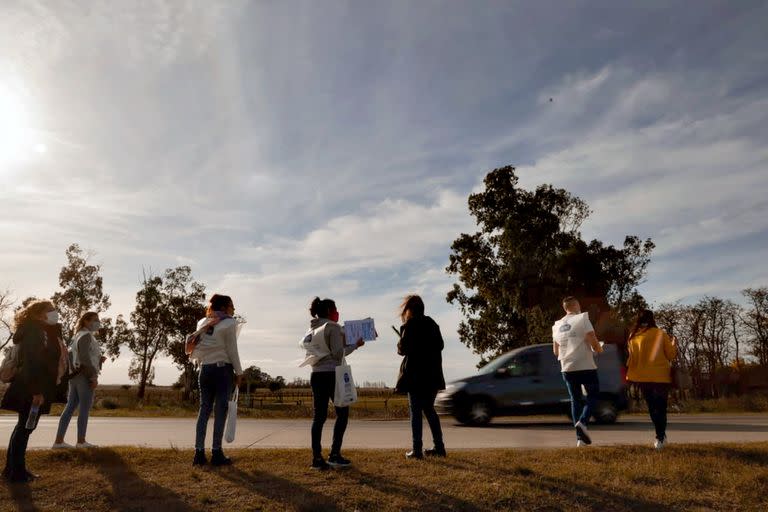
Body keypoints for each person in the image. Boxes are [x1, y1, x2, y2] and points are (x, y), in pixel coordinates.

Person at [1, 300, 64, 482]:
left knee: (24, 427)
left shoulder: (40, 331)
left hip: (32, 386)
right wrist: (36, 391)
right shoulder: (34, 332)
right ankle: (17, 473)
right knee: (25, 428)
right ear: (37, 314)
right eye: (50, 310)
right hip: (32, 387)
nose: (54, 313)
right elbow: (31, 363)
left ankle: (12, 469)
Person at [303, 297, 364, 470]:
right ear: (330, 311)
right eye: (336, 309)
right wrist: (355, 345)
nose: (338, 312)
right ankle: (334, 454)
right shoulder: (333, 327)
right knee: (342, 414)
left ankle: (316, 458)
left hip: (316, 375)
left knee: (319, 417)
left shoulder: (312, 329)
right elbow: (338, 354)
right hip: (332, 374)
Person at [189, 294, 243, 466]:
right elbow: (232, 350)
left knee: (203, 410)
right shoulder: (229, 323)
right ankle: (216, 452)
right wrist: (239, 372)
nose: (234, 309)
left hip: (204, 369)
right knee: (220, 412)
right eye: (232, 305)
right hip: (222, 371)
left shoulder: (202, 322)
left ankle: (198, 453)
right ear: (225, 307)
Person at [396, 295, 446, 459]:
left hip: (415, 376)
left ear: (409, 309)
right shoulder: (432, 324)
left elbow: (402, 350)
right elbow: (440, 345)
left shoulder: (409, 325)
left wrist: (401, 341)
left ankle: (417, 450)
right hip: (432, 376)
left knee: (415, 413)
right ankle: (439, 447)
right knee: (430, 410)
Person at [552, 296, 603, 447]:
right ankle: (583, 422)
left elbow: (555, 351)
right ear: (577, 305)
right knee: (593, 395)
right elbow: (592, 339)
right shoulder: (582, 318)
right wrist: (599, 348)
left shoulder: (557, 325)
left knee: (575, 400)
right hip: (585, 365)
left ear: (564, 308)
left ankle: (580, 439)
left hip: (567, 368)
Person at [626, 309, 677, 450]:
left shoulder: (633, 336)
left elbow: (631, 359)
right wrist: (674, 343)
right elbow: (671, 355)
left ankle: (659, 436)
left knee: (652, 408)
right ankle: (660, 437)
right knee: (661, 408)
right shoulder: (660, 334)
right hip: (661, 377)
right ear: (652, 319)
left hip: (642, 377)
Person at [53, 312, 105, 449]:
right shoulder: (86, 335)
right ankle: (81, 441)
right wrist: (93, 376)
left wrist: (99, 361)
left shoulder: (77, 335)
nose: (98, 322)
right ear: (86, 321)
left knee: (70, 407)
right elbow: (84, 358)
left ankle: (59, 441)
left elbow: (74, 356)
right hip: (84, 376)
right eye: (95, 320)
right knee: (84, 409)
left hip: (74, 375)